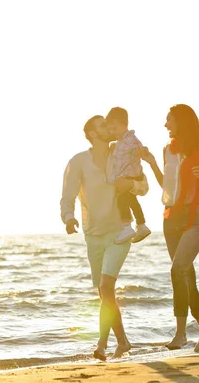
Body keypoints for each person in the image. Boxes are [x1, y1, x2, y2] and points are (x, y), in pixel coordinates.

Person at [60, 114, 149, 360]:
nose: (108, 128)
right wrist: (68, 217)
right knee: (103, 292)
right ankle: (122, 341)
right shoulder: (78, 161)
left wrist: (129, 186)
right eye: (102, 126)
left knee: (106, 287)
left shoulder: (122, 153)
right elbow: (67, 195)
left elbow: (144, 187)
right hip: (93, 234)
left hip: (120, 232)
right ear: (91, 134)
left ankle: (102, 344)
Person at [140, 104, 199, 353]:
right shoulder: (167, 150)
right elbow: (165, 185)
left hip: (196, 217)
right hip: (171, 219)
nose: (165, 125)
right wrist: (153, 162)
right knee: (186, 276)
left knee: (177, 269)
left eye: (169, 120)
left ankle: (180, 333)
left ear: (182, 122)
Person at [105, 107, 151, 244]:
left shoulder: (130, 138)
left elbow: (138, 147)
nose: (112, 132)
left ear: (124, 124)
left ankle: (127, 226)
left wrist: (143, 151)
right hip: (127, 176)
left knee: (122, 200)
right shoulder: (119, 142)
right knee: (132, 201)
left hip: (130, 176)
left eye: (114, 128)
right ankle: (142, 225)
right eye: (110, 130)